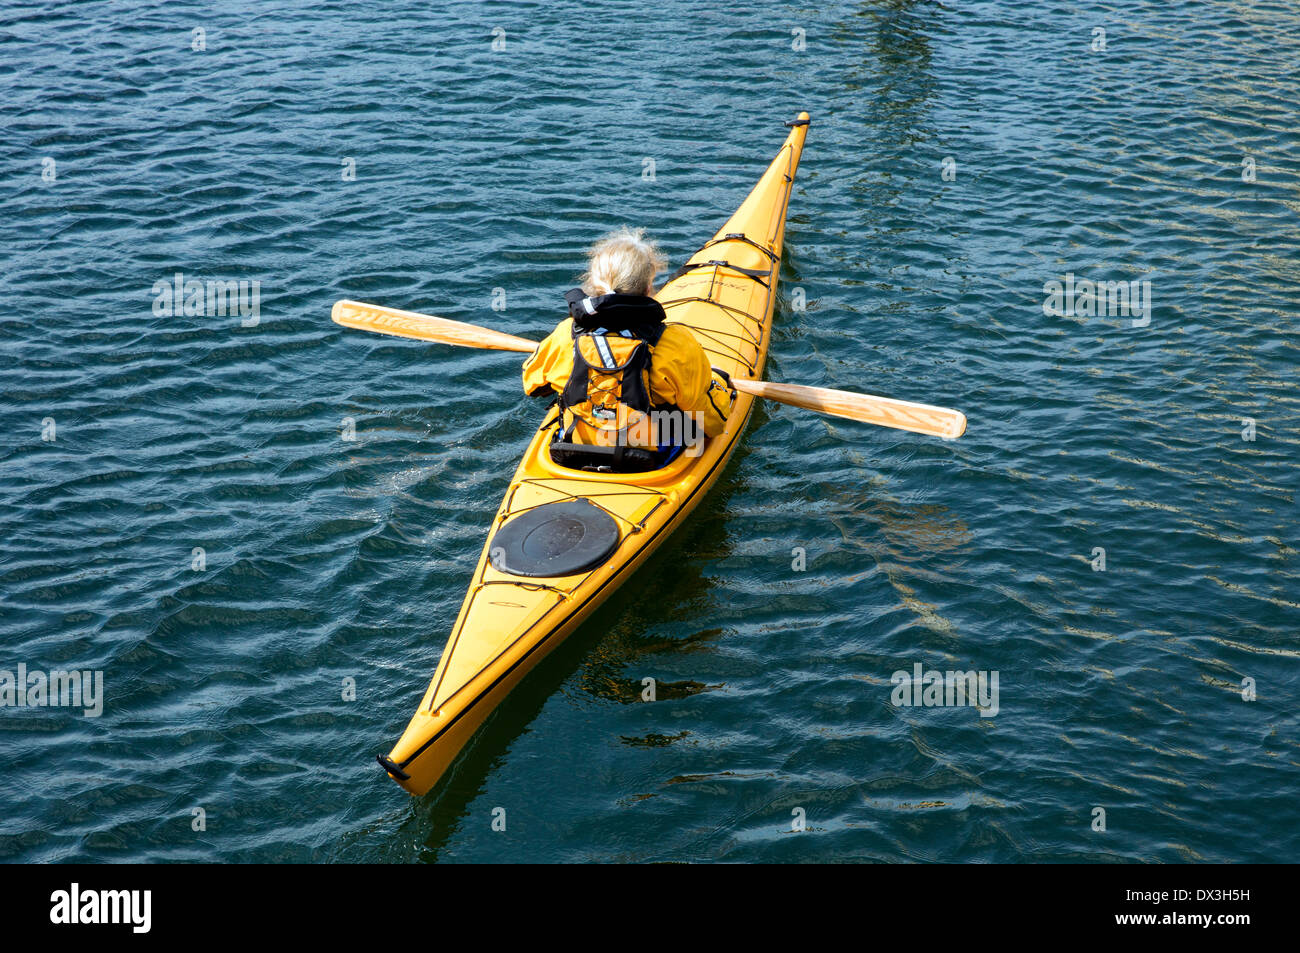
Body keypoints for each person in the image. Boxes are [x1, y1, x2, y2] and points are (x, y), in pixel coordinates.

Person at [522, 227, 735, 471]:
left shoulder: (566, 334)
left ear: (594, 285)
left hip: (575, 452)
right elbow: (714, 423)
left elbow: (533, 385)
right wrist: (718, 381)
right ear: (648, 289)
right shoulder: (675, 343)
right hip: (650, 460)